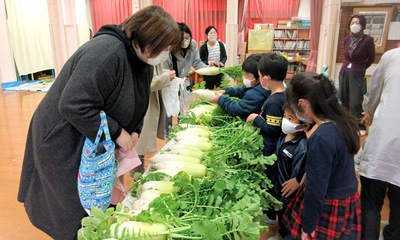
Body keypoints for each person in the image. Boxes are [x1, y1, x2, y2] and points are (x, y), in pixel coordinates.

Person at [17, 6, 180, 240]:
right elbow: (73, 104)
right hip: (65, 139)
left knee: (100, 202)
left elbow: (138, 97)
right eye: (163, 47)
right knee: (75, 211)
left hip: (94, 139)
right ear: (145, 39)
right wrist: (117, 132)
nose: (164, 53)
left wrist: (134, 130)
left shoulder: (140, 56)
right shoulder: (105, 52)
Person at [282, 72, 361, 240]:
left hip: (329, 203)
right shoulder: (341, 122)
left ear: (302, 104)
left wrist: (308, 226)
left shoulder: (321, 137)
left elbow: (315, 188)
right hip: (346, 197)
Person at [358, 47, 400, 240]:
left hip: (385, 142)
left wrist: (369, 112)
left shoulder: (392, 56)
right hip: (388, 144)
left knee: (371, 205)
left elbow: (373, 92)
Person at [266, 104, 309, 239]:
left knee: (288, 218)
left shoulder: (301, 146)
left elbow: (297, 175)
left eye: (290, 118)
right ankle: (279, 233)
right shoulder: (284, 135)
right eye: (285, 116)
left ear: (303, 125)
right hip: (277, 185)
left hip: (288, 192)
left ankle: (286, 235)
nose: (285, 121)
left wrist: (286, 197)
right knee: (280, 215)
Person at [163, 22, 208, 137]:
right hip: (171, 83)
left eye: (187, 38)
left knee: (184, 109)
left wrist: (208, 69)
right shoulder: (168, 49)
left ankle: (180, 131)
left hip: (184, 82)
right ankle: (167, 134)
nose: (186, 42)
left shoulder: (193, 45)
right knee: (169, 109)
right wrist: (173, 80)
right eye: (182, 40)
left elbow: (197, 62)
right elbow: (164, 70)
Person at [130, 64, 176, 176]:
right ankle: (136, 175)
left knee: (140, 142)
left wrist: (165, 73)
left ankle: (139, 173)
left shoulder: (152, 55)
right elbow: (145, 82)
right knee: (137, 143)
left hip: (145, 103)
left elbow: (153, 72)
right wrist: (165, 77)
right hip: (141, 103)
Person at [246, 53, 287, 156]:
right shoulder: (284, 93)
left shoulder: (274, 102)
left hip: (269, 149)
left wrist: (255, 118)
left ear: (265, 79)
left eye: (259, 77)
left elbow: (273, 129)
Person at [339, 14, 375, 130]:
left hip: (357, 72)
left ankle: (358, 126)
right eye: (352, 23)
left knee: (355, 101)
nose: (354, 25)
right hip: (344, 71)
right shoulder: (347, 39)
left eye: (357, 23)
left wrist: (362, 67)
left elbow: (371, 58)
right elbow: (346, 54)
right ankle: (344, 124)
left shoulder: (367, 40)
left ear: (362, 25)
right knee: (343, 99)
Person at [208, 54, 270, 119]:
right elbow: (241, 90)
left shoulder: (256, 95)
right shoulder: (257, 86)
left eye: (248, 76)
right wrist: (226, 91)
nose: (244, 78)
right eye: (243, 74)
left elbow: (237, 109)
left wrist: (220, 100)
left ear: (260, 77)